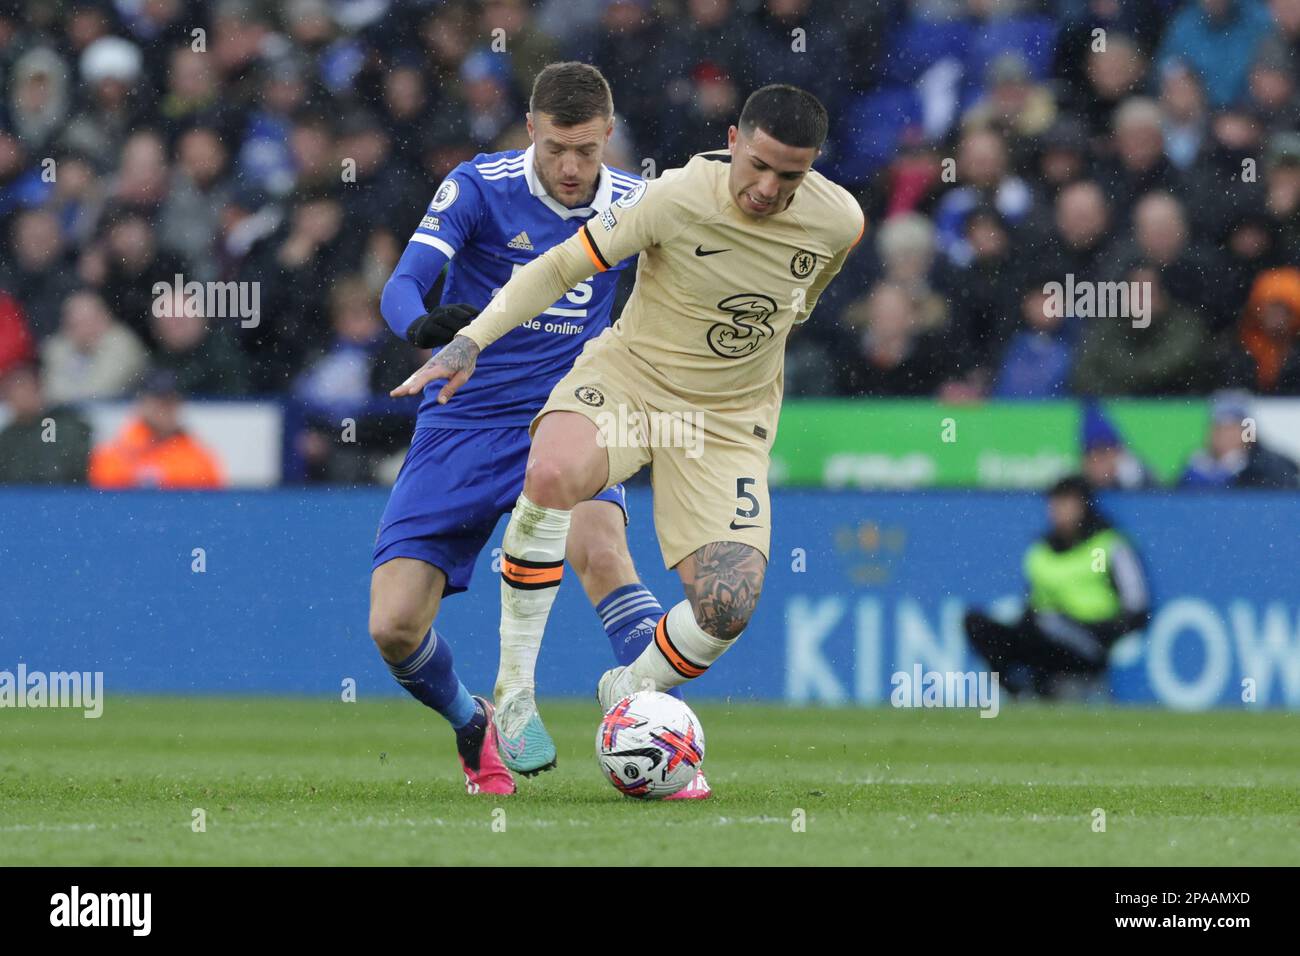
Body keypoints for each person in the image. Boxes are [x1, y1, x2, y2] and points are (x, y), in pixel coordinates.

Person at [392, 84, 864, 766]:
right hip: (629, 384)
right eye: (756, 164)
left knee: (727, 606)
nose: (766, 187)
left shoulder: (838, 223)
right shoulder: (670, 197)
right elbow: (559, 265)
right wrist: (471, 341)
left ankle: (632, 688)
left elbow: (798, 309)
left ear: (813, 167)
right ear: (732, 140)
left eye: (789, 175)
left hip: (725, 420)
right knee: (551, 472)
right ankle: (516, 690)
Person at [370, 63, 709, 798]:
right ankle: (471, 721)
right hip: (466, 415)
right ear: (530, 130)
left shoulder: (635, 202)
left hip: (572, 410)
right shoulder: (477, 186)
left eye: (586, 150)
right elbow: (402, 285)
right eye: (556, 147)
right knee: (394, 626)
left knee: (603, 552)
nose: (570, 166)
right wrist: (422, 327)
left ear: (608, 137)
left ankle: (668, 739)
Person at [964, 476, 1151, 699]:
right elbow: (1032, 601)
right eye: (1054, 504)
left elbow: (1137, 606)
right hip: (1043, 633)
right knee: (977, 624)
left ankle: (1047, 684)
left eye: (1066, 504)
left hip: (1090, 640)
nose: (1058, 511)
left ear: (1083, 505)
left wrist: (1107, 634)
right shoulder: (1040, 550)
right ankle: (1018, 692)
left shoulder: (1107, 545)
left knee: (1045, 622)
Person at [88, 369, 225, 490]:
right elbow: (104, 499)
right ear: (142, 404)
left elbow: (211, 505)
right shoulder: (114, 454)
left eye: (171, 401)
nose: (165, 408)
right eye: (158, 401)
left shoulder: (199, 456)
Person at [1180, 390, 1299, 488]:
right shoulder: (1196, 467)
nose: (1224, 435)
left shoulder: (1272, 467)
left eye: (1232, 427)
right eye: (1219, 427)